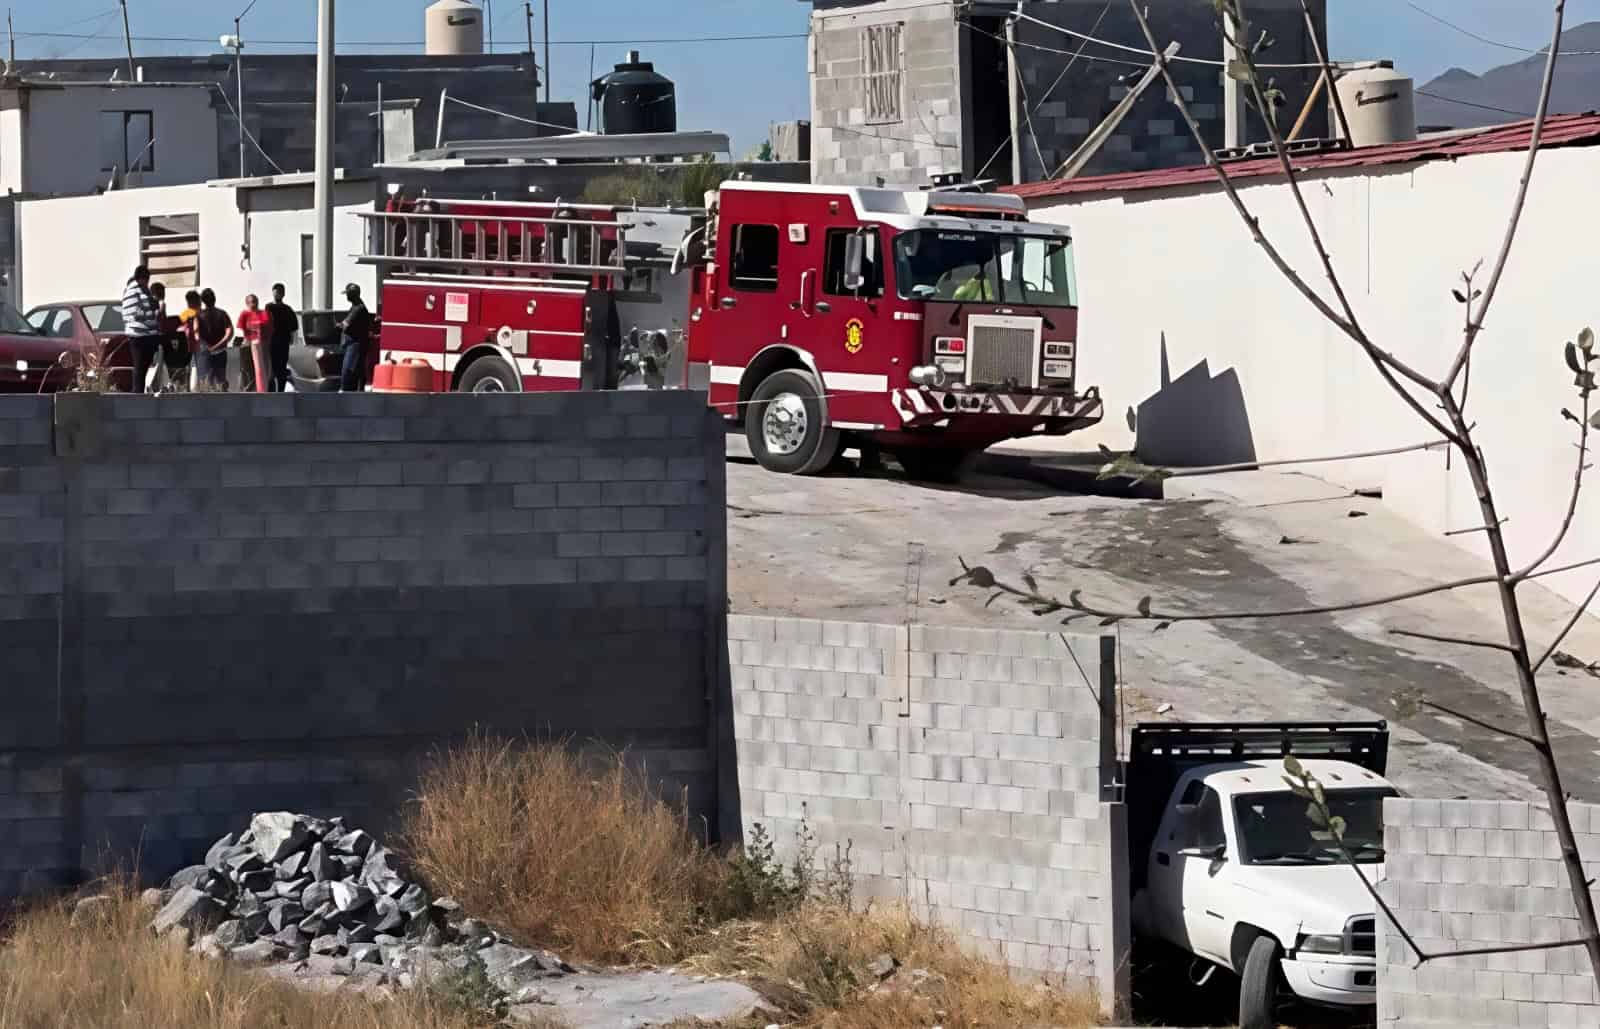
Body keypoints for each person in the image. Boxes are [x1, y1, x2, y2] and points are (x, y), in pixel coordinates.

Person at [119, 265, 163, 393]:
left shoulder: (136, 291)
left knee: (142, 368)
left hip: (141, 335)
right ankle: (137, 394)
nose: (147, 282)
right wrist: (153, 313)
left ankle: (139, 393)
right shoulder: (136, 291)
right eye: (146, 279)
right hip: (140, 334)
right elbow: (138, 312)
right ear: (142, 278)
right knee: (140, 367)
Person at [193, 289, 234, 391]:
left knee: (206, 383)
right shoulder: (222, 314)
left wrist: (206, 346)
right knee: (221, 381)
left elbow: (196, 334)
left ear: (202, 301)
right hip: (220, 351)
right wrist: (219, 345)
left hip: (204, 353)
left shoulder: (198, 315)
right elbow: (229, 333)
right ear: (214, 299)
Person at [337, 283, 373, 393]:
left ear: (352, 295)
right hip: (353, 345)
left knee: (348, 371)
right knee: (353, 371)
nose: (346, 297)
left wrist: (337, 325)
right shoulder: (356, 307)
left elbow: (345, 325)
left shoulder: (358, 308)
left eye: (348, 294)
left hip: (355, 346)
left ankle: (347, 394)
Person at [264, 283, 299, 392]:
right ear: (273, 292)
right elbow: (264, 323)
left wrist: (292, 340)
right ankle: (270, 391)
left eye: (280, 292)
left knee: (281, 368)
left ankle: (281, 391)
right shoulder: (268, 307)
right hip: (271, 342)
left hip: (283, 343)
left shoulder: (287, 309)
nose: (278, 294)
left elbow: (294, 327)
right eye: (276, 291)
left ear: (283, 294)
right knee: (270, 368)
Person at [236, 294, 271, 393]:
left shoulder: (264, 313)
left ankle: (262, 390)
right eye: (252, 302)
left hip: (261, 344)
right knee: (248, 370)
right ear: (247, 303)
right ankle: (248, 389)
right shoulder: (244, 314)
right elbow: (242, 329)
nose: (254, 304)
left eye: (255, 301)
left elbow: (268, 328)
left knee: (262, 368)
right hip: (248, 344)